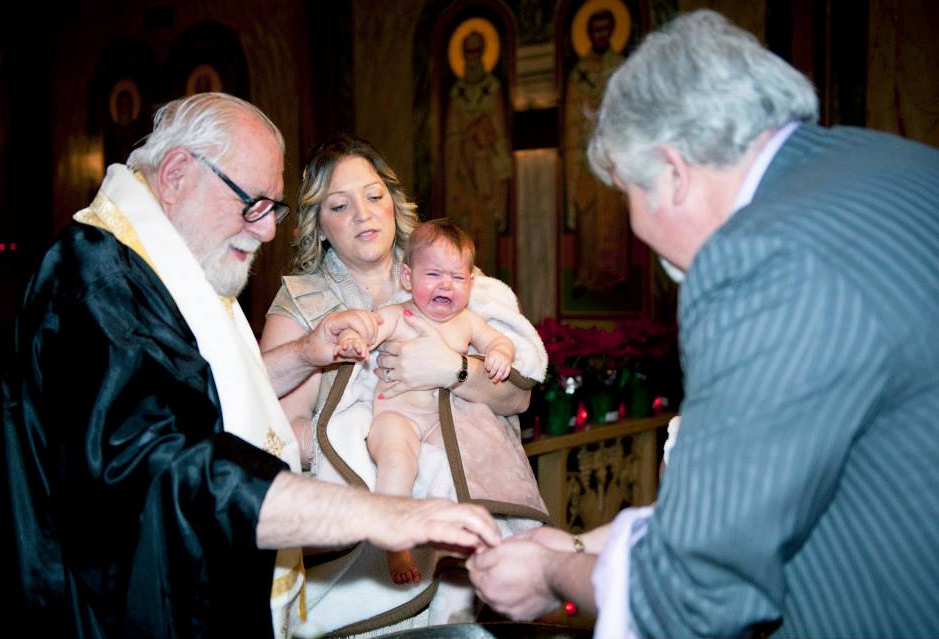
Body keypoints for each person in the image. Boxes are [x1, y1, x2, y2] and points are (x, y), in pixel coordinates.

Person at [469, 9, 939, 638]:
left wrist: (553, 575)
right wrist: (585, 547)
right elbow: (778, 479)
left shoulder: (759, 258)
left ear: (673, 172)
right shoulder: (898, 165)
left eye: (629, 196)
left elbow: (696, 590)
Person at [0, 92, 501, 639]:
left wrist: (304, 354)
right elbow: (164, 465)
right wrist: (382, 513)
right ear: (178, 175)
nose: (265, 230)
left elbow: (212, 393)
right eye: (253, 202)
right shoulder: (97, 283)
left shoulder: (173, 262)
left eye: (273, 208)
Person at [260, 134, 548, 635]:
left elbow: (517, 394)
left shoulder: (443, 273)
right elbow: (279, 433)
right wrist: (358, 451)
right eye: (339, 205)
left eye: (373, 196)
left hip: (463, 490)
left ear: (393, 201)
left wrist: (452, 369)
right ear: (319, 225)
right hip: (364, 521)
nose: (363, 214)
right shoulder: (299, 306)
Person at [333, 218, 515, 585]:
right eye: (432, 274)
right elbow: (370, 327)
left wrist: (499, 354)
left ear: (470, 283)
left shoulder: (468, 321)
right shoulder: (398, 315)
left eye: (457, 277)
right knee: (400, 462)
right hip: (395, 417)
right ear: (407, 278)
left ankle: (472, 542)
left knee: (470, 463)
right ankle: (394, 538)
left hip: (438, 420)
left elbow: (499, 341)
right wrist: (355, 337)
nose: (445, 284)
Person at [564, 7, 629, 296]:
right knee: (588, 220)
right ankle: (586, 276)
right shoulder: (580, 73)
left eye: (606, 29)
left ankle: (617, 277)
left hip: (614, 160)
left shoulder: (622, 67)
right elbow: (571, 117)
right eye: (596, 30)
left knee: (613, 221)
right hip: (586, 160)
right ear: (589, 34)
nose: (601, 35)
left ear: (612, 31)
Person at [444, 26, 512, 278]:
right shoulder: (456, 93)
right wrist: (464, 143)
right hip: (463, 176)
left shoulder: (492, 89)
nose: (472, 57)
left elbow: (499, 134)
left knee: (487, 234)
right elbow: (451, 138)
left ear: (483, 53)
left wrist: (483, 136)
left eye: (476, 51)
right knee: (463, 239)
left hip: (487, 178)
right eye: (468, 52)